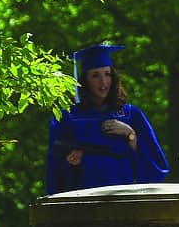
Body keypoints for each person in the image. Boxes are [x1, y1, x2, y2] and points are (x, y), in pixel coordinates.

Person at [45, 43, 170, 194]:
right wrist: (72, 163)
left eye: (107, 74)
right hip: (84, 199)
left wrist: (130, 135)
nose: (103, 81)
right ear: (85, 81)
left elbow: (156, 168)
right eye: (95, 75)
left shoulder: (131, 115)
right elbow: (55, 170)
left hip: (124, 198)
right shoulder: (69, 118)